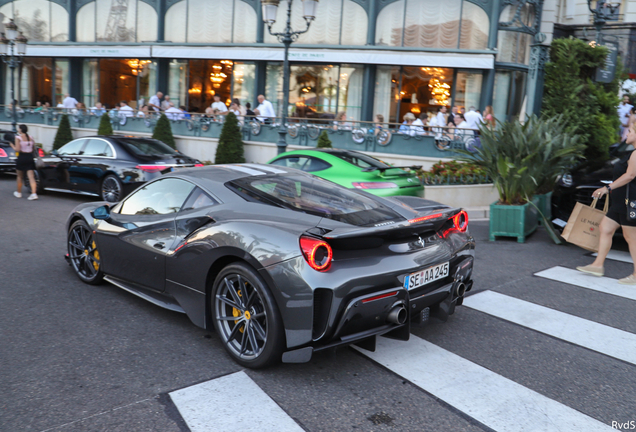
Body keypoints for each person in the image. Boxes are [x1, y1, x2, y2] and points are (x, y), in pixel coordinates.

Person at [577, 122, 636, 284]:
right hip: (620, 202)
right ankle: (597, 265)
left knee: (631, 238)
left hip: (629, 202)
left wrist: (607, 188)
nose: (627, 134)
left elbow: (630, 176)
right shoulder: (631, 153)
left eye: (630, 131)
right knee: (605, 228)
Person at [10, 124, 38, 200]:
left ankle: (19, 193)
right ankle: (34, 193)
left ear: (21, 130)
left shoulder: (18, 138)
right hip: (30, 157)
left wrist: (12, 145)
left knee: (19, 176)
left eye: (19, 128)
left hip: (22, 157)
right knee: (31, 177)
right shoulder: (31, 137)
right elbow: (33, 149)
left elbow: (17, 149)